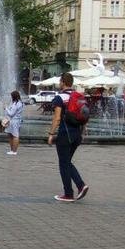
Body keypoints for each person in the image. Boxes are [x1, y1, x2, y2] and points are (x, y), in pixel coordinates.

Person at [48, 71, 88, 202]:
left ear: (63, 82)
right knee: (67, 162)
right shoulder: (79, 96)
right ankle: (79, 187)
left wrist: (51, 134)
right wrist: (82, 133)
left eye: (60, 81)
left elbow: (57, 118)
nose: (59, 83)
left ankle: (70, 193)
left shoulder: (60, 98)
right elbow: (85, 116)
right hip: (77, 135)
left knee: (63, 163)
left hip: (65, 135)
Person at [3, 90, 24, 155]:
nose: (11, 97)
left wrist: (6, 108)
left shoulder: (17, 104)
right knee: (10, 135)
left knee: (15, 135)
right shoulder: (17, 103)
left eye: (11, 96)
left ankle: (14, 151)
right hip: (13, 121)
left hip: (14, 121)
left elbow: (11, 113)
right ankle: (12, 150)